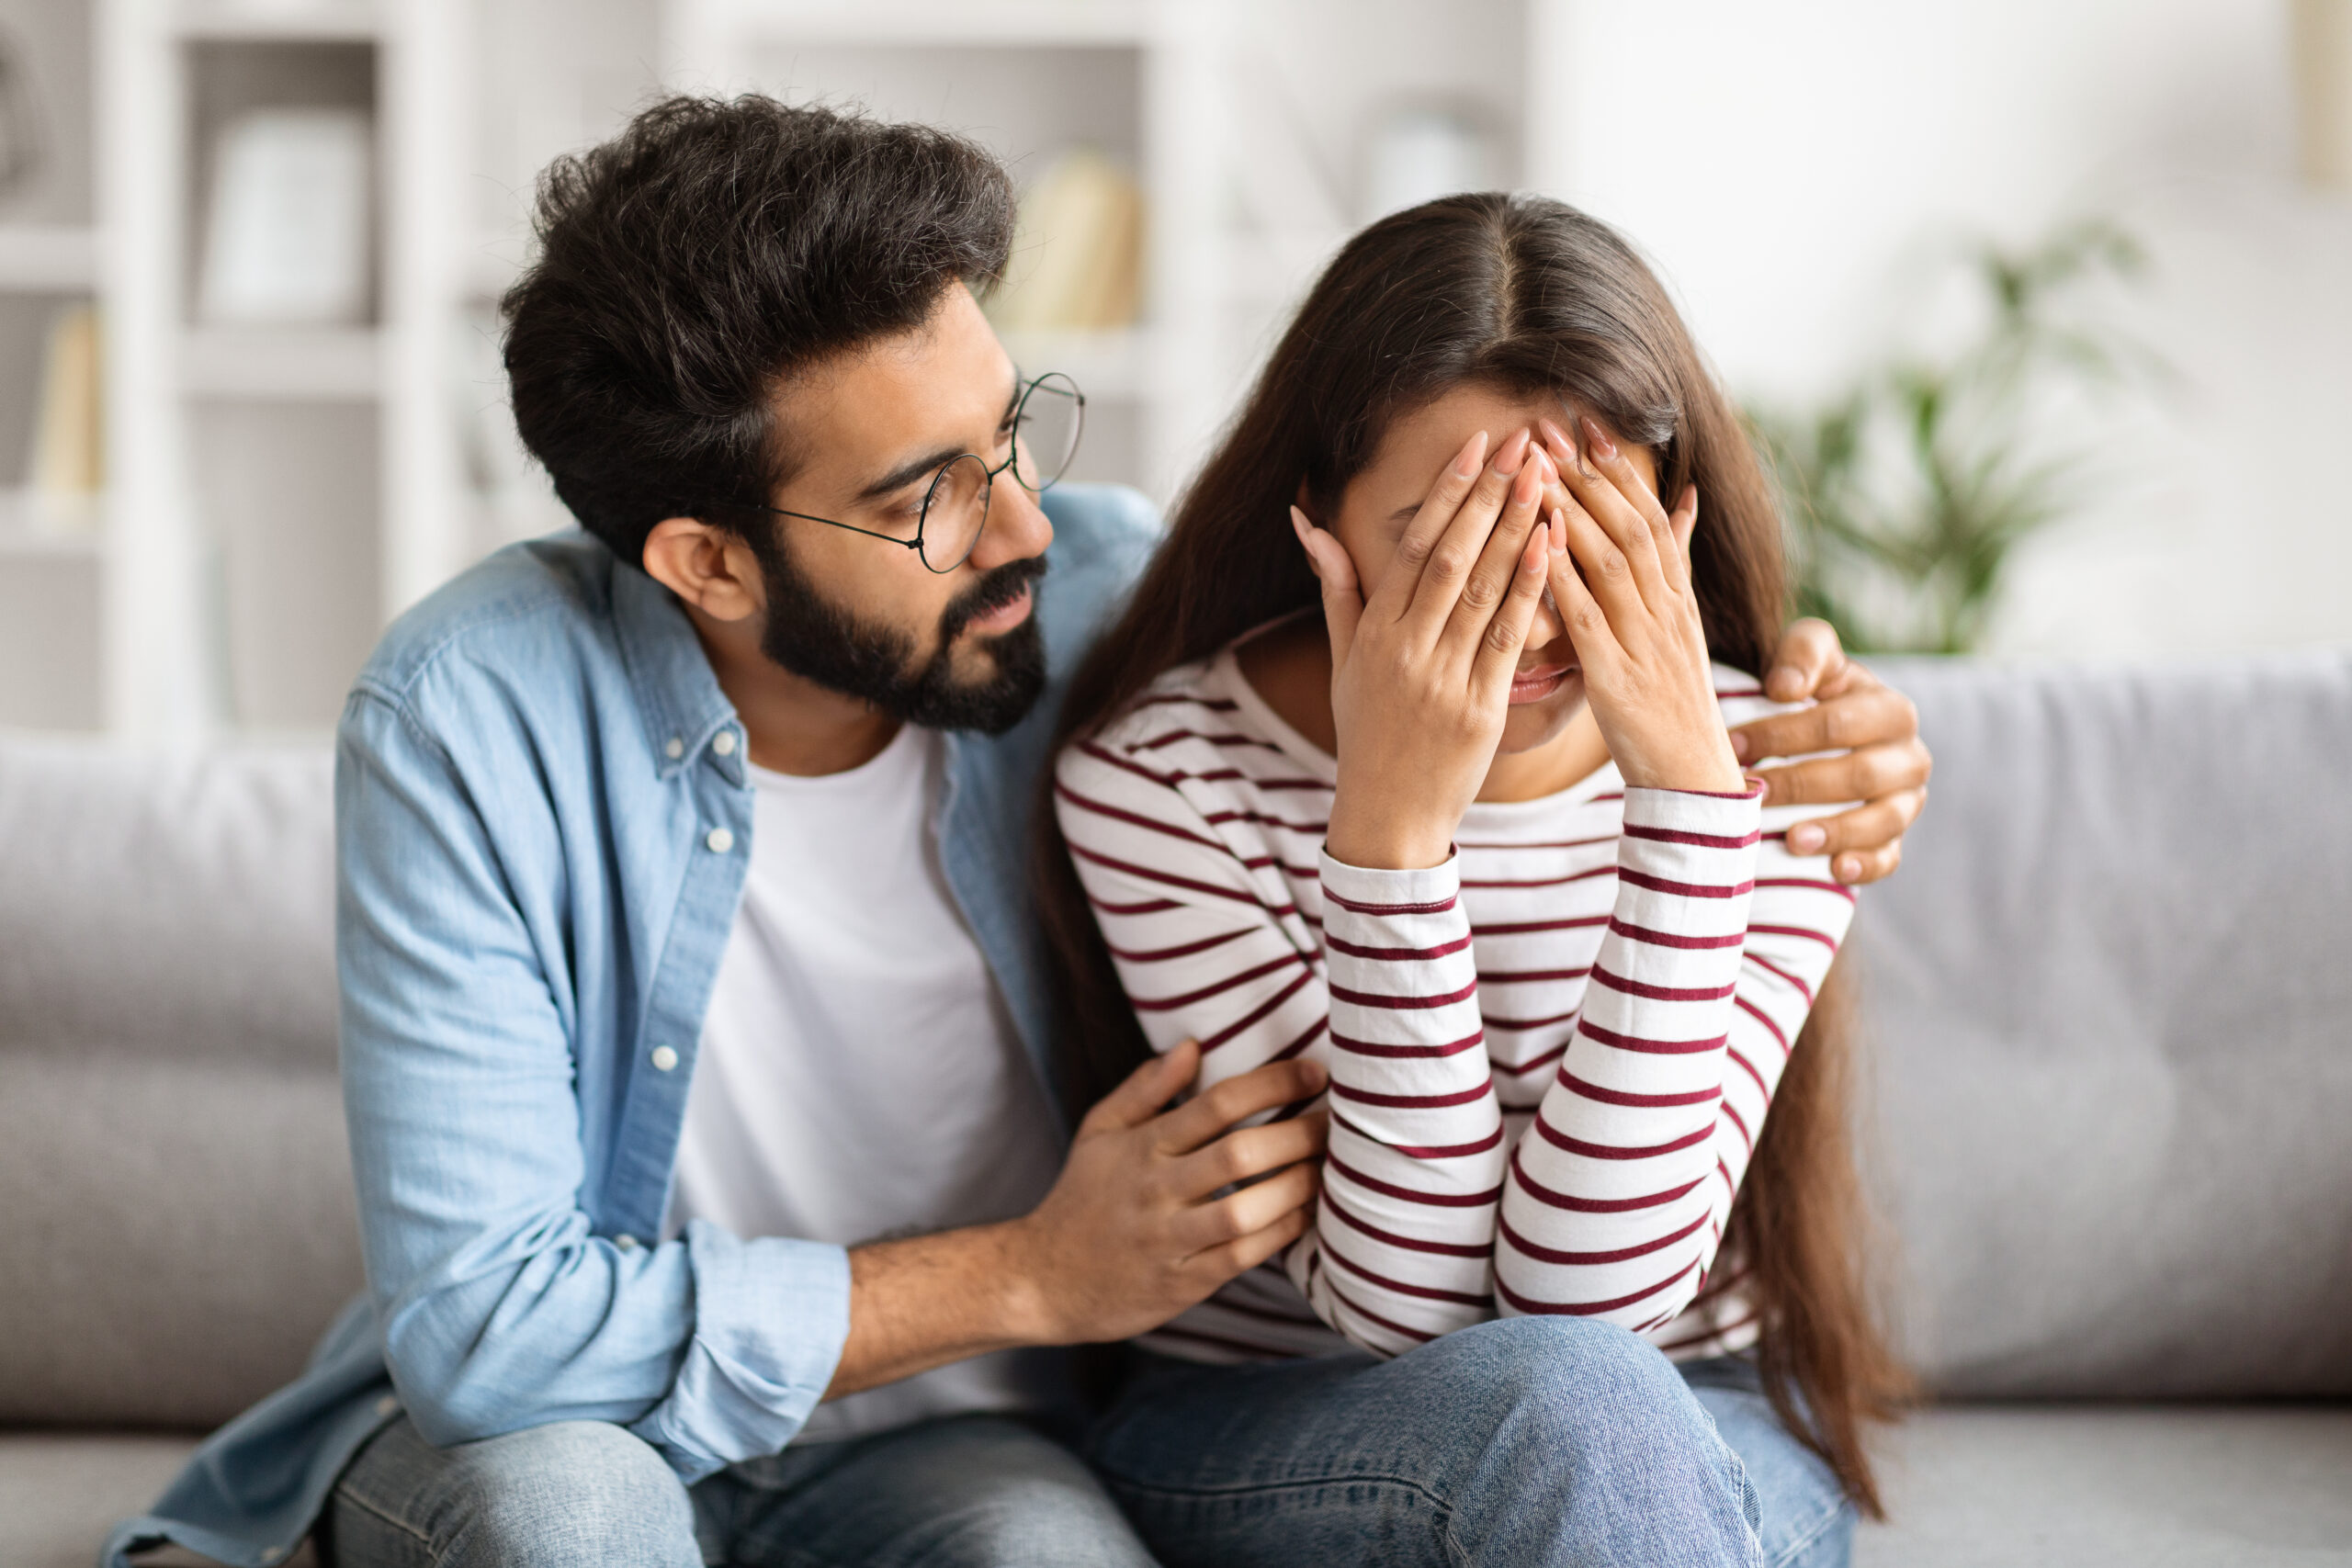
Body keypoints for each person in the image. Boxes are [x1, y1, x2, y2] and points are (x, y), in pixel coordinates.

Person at [105, 100, 1928, 1568]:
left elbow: (1554, 1324)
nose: (1020, 528)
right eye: (924, 498)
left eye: (1009, 434)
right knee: (563, 1517)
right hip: (580, 1422)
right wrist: (1028, 1271)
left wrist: (1789, 749)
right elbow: (491, 1335)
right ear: (708, 560)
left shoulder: (1111, 601)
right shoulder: (466, 721)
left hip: (971, 1439)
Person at [1043, 192, 1914, 1568]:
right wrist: (1389, 835)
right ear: (1317, 519)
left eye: (1586, 528)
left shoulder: (1792, 765)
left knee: (1594, 1411)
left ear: (1673, 517)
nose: (1529, 599)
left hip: (1691, 1411)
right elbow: (1400, 1312)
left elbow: (1595, 1306)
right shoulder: (1163, 779)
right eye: (1451, 533)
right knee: (1574, 1414)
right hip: (1279, 1410)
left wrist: (1689, 801)